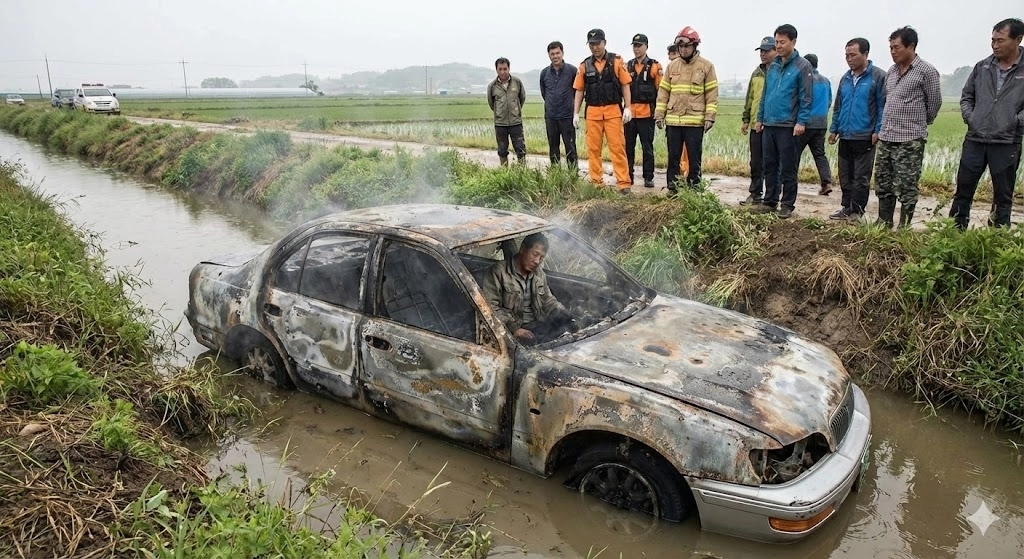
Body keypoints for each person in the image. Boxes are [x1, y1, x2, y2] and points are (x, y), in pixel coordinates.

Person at [949, 18, 1024, 229]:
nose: (995, 45)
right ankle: (955, 233)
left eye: (1000, 40)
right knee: (963, 190)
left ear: (1018, 39)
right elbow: (966, 97)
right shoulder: (982, 67)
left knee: (1003, 195)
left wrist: (1016, 123)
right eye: (992, 40)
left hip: (1007, 141)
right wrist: (971, 118)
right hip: (975, 138)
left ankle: (996, 239)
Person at [874, 26, 942, 228]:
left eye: (896, 47)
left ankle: (904, 226)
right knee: (883, 182)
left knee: (906, 185)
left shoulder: (926, 71)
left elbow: (934, 103)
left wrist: (918, 123)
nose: (893, 52)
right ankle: (883, 222)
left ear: (911, 46)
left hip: (910, 139)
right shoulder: (892, 71)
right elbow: (887, 99)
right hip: (887, 136)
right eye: (891, 48)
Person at [753, 24, 814, 219]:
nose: (778, 46)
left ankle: (787, 203)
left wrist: (801, 122)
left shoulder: (802, 66)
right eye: (777, 42)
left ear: (793, 42)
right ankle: (770, 200)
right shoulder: (773, 66)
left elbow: (806, 98)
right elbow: (765, 96)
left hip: (789, 126)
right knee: (768, 164)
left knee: (788, 166)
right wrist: (760, 118)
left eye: (782, 42)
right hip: (769, 124)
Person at [827, 38, 887, 221]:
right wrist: (834, 128)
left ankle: (857, 211)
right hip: (845, 133)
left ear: (866, 54)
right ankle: (846, 208)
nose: (849, 59)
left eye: (853, 55)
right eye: (846, 55)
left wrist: (878, 130)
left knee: (861, 176)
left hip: (865, 135)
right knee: (845, 174)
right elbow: (838, 106)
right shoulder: (845, 78)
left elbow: (882, 106)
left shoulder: (878, 77)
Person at [655, 26, 718, 193]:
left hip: (695, 122)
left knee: (694, 158)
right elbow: (663, 93)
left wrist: (709, 117)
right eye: (680, 47)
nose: (683, 49)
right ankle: (673, 188)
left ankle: (694, 188)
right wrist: (659, 115)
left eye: (686, 46)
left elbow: (712, 94)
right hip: (673, 121)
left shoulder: (706, 67)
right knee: (673, 157)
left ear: (695, 46)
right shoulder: (672, 67)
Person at [481, 232, 572, 345]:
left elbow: (547, 299)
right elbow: (489, 307)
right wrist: (514, 329)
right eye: (535, 254)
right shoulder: (498, 272)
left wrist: (562, 312)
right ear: (523, 249)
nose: (537, 261)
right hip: (513, 330)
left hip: (538, 325)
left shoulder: (539, 274)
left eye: (541, 257)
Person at [573, 28, 634, 194]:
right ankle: (596, 183)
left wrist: (628, 107)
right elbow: (579, 90)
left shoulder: (616, 61)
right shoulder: (584, 65)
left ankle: (623, 183)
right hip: (592, 112)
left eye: (597, 43)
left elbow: (625, 84)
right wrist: (575, 113)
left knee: (618, 148)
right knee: (593, 150)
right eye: (591, 44)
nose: (595, 47)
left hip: (613, 111)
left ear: (604, 43)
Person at [740, 36, 777, 206]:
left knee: (771, 163)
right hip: (756, 124)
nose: (763, 54)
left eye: (767, 51)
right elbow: (750, 97)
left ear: (776, 51)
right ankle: (755, 194)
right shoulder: (757, 73)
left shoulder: (780, 71)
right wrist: (746, 119)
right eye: (761, 51)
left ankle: (772, 198)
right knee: (755, 162)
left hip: (773, 124)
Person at [624, 33, 663, 188]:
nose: (637, 49)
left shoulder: (654, 66)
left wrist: (660, 112)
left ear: (646, 46)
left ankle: (648, 177)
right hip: (630, 114)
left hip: (647, 113)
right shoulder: (627, 66)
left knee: (647, 147)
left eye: (639, 45)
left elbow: (661, 90)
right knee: (628, 146)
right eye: (634, 45)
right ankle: (628, 175)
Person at [798, 53, 834, 196]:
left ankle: (787, 182)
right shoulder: (826, 81)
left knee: (794, 154)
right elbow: (829, 101)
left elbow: (801, 101)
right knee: (820, 154)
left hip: (805, 122)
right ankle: (826, 183)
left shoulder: (805, 80)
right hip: (821, 123)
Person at [540, 41, 579, 169]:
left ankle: (573, 175)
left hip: (567, 116)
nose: (555, 56)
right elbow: (544, 93)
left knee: (570, 147)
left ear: (562, 53)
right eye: (552, 54)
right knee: (553, 147)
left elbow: (577, 91)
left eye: (557, 53)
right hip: (551, 116)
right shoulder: (544, 73)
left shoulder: (572, 71)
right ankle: (556, 174)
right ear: (548, 55)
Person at [487, 57, 527, 166]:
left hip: (516, 122)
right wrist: (500, 113)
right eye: (500, 69)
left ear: (509, 68)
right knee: (502, 150)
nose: (503, 72)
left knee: (520, 149)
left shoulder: (517, 82)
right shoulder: (492, 86)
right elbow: (491, 103)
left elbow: (522, 98)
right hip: (500, 124)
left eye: (505, 69)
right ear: (496, 70)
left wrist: (515, 110)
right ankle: (505, 174)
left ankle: (522, 173)